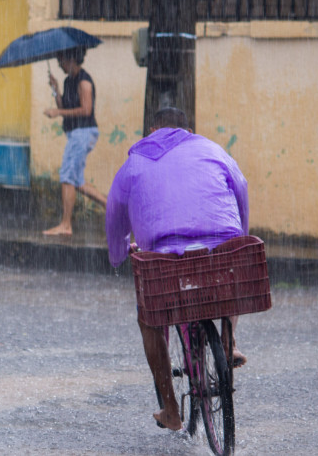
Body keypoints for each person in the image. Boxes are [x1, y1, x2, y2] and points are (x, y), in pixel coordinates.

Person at [105, 107, 249, 431]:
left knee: (150, 320)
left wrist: (117, 254)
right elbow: (240, 185)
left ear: (153, 129)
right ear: (187, 130)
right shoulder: (212, 149)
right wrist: (240, 232)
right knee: (229, 277)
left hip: (166, 254)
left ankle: (170, 409)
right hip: (219, 246)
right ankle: (229, 338)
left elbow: (114, 213)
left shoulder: (134, 164)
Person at [42, 47, 107, 236]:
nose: (59, 65)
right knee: (76, 181)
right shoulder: (68, 80)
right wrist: (55, 90)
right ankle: (111, 207)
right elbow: (64, 105)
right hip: (75, 133)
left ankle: (66, 225)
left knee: (67, 176)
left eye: (61, 61)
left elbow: (86, 110)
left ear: (71, 59)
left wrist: (57, 113)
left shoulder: (84, 81)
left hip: (83, 132)